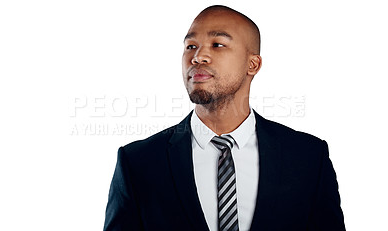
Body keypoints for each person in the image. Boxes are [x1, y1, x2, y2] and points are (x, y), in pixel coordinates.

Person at [104, 5, 346, 231]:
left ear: (252, 64)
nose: (198, 57)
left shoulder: (309, 157)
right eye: (190, 46)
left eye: (218, 44)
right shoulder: (138, 163)